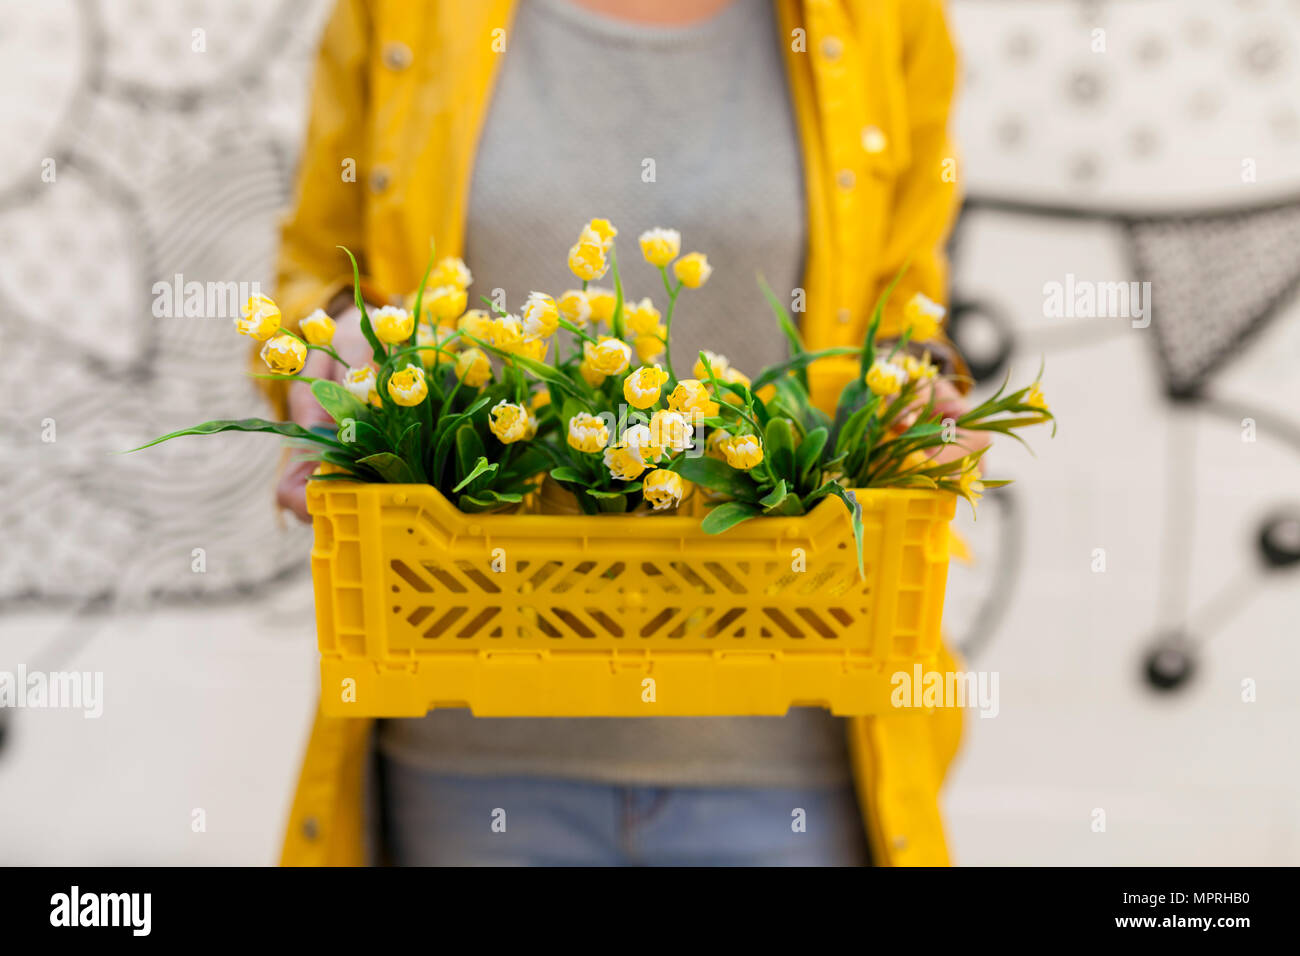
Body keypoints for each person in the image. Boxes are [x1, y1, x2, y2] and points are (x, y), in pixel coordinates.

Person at [272, 0, 968, 866]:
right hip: (467, 756)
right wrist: (330, 350)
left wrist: (912, 387)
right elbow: (318, 269)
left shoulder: (883, 20)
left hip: (791, 757)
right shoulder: (399, 15)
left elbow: (905, 299)